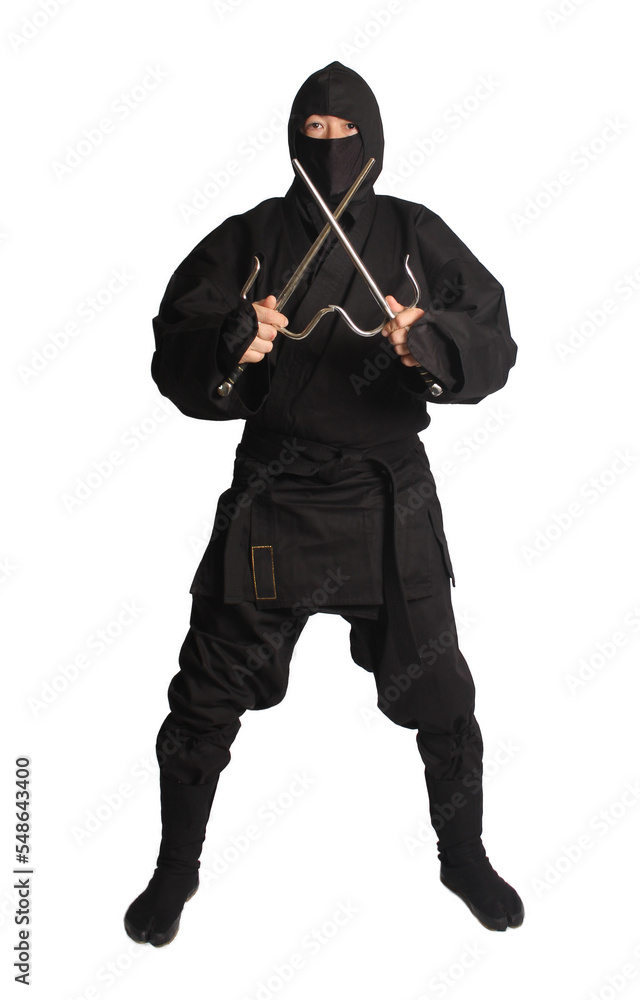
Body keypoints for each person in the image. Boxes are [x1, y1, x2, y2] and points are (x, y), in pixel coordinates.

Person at [124, 61, 523, 947]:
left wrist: (431, 342)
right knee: (204, 698)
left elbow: (495, 339)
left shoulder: (415, 233)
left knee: (443, 695)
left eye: (347, 133)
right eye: (315, 132)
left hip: (388, 497)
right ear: (292, 137)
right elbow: (174, 349)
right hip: (275, 492)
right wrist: (234, 341)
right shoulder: (251, 237)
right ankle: (174, 870)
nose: (332, 147)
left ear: (373, 139)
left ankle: (463, 856)